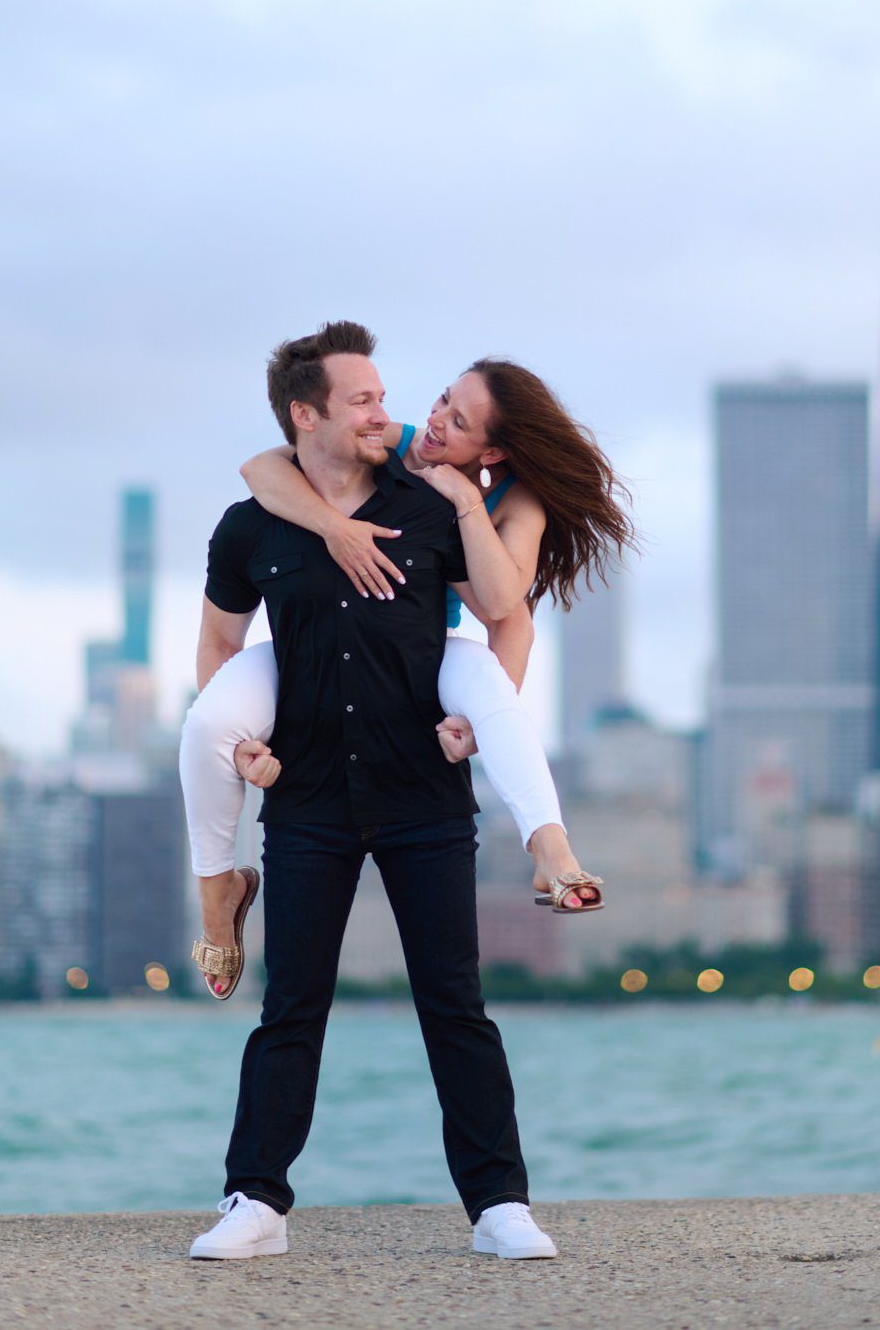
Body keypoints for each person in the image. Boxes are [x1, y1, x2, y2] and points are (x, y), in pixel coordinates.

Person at [187, 321, 556, 1261]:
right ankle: (254, 1203)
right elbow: (221, 649)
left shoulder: (430, 504)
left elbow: (506, 611)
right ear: (306, 415)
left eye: (386, 398)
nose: (387, 415)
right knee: (291, 1005)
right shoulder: (250, 526)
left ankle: (499, 1206)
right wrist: (241, 746)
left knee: (453, 1002)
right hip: (306, 795)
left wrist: (479, 721)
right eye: (363, 400)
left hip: (423, 793)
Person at [181, 353, 636, 989]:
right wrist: (338, 530)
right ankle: (216, 895)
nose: (435, 421)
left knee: (492, 693)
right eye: (443, 400)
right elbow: (261, 468)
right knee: (205, 724)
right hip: (318, 650)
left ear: (495, 452)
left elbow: (508, 613)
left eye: (460, 421)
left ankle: (551, 851)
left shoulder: (517, 501)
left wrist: (462, 499)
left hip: (426, 648)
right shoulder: (398, 444)